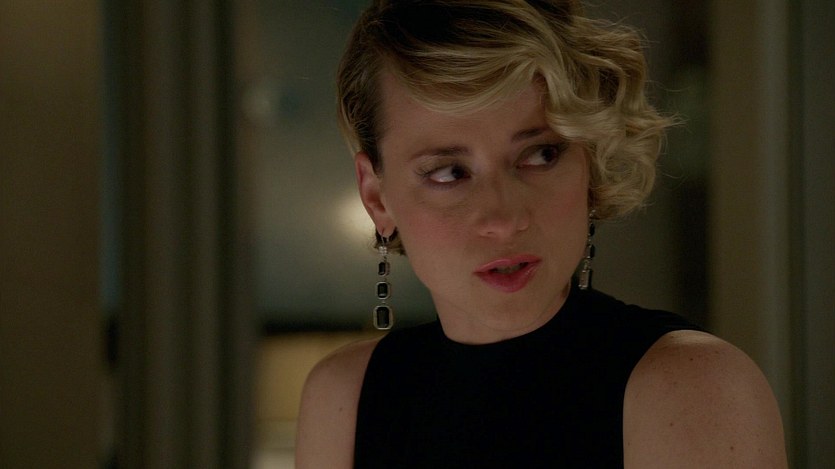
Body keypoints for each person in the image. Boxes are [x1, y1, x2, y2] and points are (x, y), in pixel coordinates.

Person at [296, 0, 788, 467]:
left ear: (589, 162)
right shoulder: (344, 399)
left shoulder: (691, 386)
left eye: (541, 155)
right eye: (448, 172)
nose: (505, 218)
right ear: (377, 198)